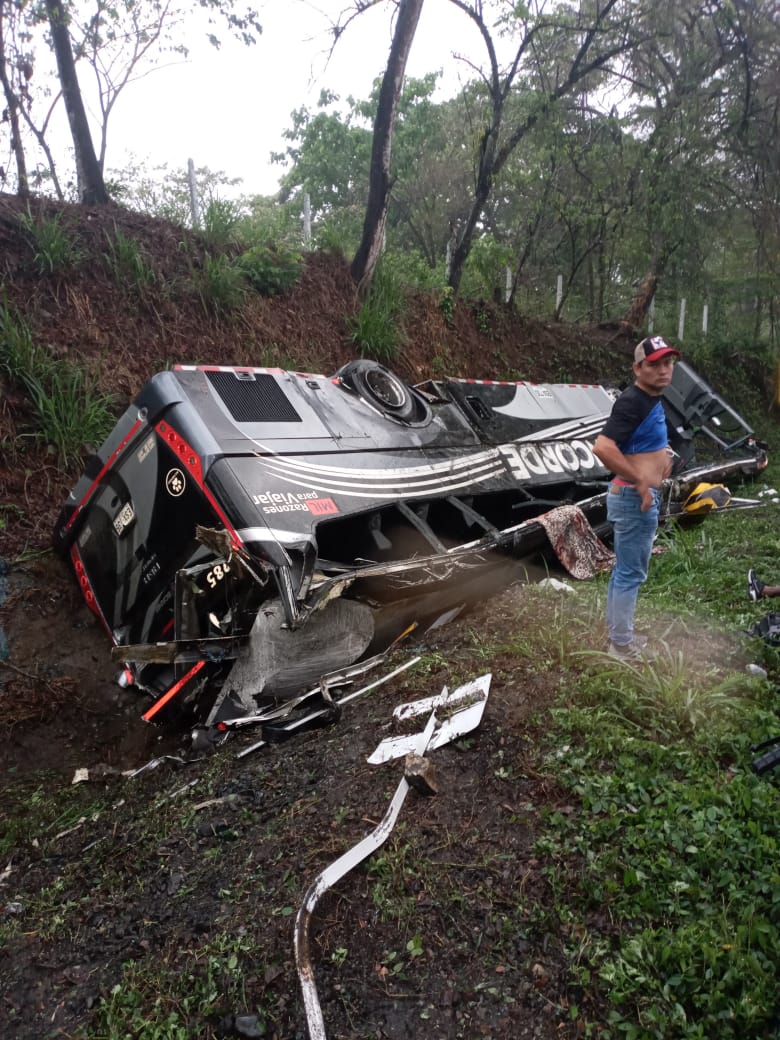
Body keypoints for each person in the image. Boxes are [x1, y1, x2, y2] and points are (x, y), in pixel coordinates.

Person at [592, 335, 680, 660]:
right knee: (631, 574)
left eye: (668, 362)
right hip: (633, 500)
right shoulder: (633, 402)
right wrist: (641, 482)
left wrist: (663, 456)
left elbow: (639, 443)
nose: (663, 370)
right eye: (654, 364)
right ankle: (621, 646)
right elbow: (603, 447)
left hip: (633, 497)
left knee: (626, 571)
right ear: (637, 368)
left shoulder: (650, 399)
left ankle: (619, 635)